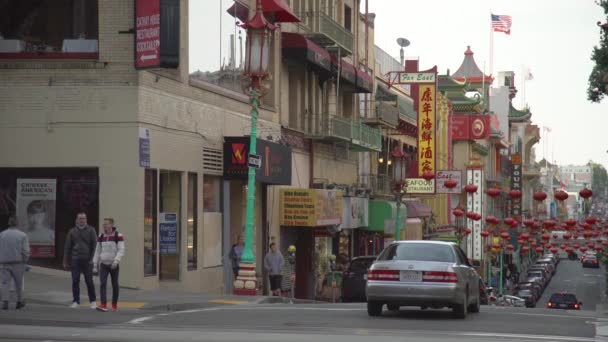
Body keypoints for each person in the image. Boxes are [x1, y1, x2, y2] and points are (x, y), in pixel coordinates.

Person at [63, 212, 97, 309]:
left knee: (89, 281)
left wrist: (92, 259)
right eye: (80, 218)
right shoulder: (72, 231)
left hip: (87, 260)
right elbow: (67, 247)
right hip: (75, 259)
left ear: (86, 220)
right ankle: (76, 301)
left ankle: (93, 301)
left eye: (84, 218)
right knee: (75, 280)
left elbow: (95, 246)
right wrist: (65, 261)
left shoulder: (91, 230)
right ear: (77, 220)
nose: (82, 220)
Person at [92, 218, 125, 312]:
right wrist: (95, 264)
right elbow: (97, 251)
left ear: (111, 225)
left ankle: (114, 304)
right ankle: (103, 304)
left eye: (106, 224)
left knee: (115, 285)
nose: (104, 226)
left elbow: (121, 250)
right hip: (103, 264)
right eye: (104, 224)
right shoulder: (101, 236)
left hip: (113, 265)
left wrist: (116, 261)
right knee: (102, 284)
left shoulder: (118, 235)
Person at [0, 216, 29, 310]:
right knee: (18, 283)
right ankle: (19, 301)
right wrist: (25, 260)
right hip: (18, 262)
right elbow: (25, 251)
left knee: (5, 283)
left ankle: (5, 302)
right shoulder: (22, 235)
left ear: (8, 223)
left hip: (4, 262)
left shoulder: (2, 234)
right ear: (17, 224)